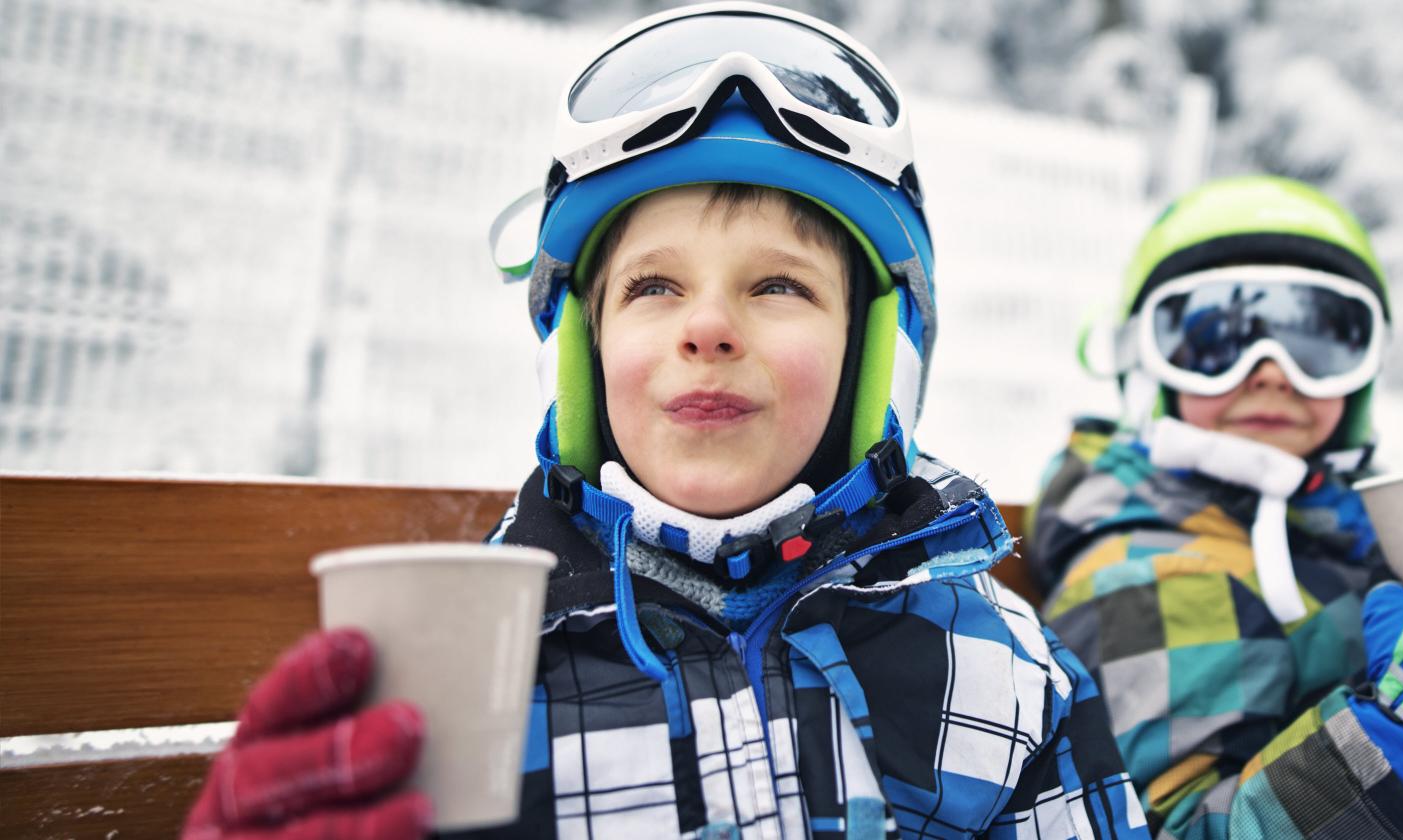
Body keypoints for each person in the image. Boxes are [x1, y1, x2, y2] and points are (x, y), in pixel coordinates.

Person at [181, 5, 1146, 838]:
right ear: (579, 350)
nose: (711, 328)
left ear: (874, 359)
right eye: (653, 286)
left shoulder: (1006, 676)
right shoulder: (474, 677)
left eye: (777, 284)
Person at [1026, 175, 1403, 838]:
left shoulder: (1336, 535)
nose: (1272, 371)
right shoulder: (1155, 576)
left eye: (1320, 340)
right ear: (1149, 361)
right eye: (1217, 339)